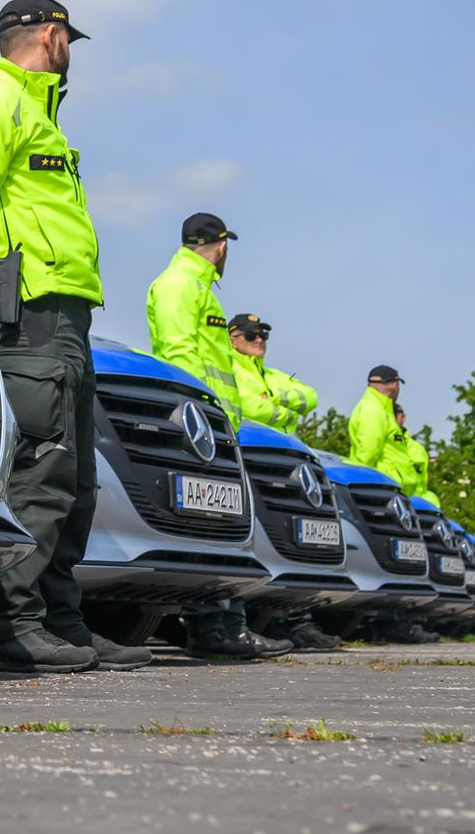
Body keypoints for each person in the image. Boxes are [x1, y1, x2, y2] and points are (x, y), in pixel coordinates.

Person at [0, 0, 149, 675]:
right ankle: (18, 627)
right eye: (69, 43)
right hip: (26, 314)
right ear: (53, 37)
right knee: (39, 471)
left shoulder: (39, 116)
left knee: (75, 479)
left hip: (67, 315)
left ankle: (63, 624)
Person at [144, 216, 291, 662]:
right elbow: (178, 354)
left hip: (217, 424)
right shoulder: (178, 284)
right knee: (208, 524)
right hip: (200, 425)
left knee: (223, 526)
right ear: (222, 246)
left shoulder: (200, 288)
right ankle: (215, 628)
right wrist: (201, 416)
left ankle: (227, 625)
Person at [223, 314, 342, 651]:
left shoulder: (267, 375)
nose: (259, 339)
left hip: (282, 461)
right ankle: (255, 623)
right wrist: (281, 409)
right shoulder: (229, 366)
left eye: (262, 335)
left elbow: (310, 397)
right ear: (232, 338)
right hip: (252, 457)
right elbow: (245, 405)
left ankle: (294, 622)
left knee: (293, 546)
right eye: (251, 335)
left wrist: (271, 405)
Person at [347, 365, 428, 497]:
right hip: (378, 488)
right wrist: (359, 483)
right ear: (395, 385)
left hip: (384, 487)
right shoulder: (374, 410)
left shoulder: (380, 408)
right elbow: (369, 451)